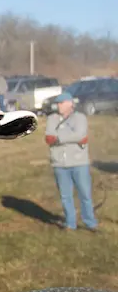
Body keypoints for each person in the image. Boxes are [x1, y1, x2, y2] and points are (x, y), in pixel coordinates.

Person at [45, 92, 97, 232]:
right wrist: (72, 138)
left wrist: (59, 138)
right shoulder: (52, 118)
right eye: (58, 103)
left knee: (85, 194)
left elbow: (81, 135)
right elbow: (49, 138)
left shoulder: (80, 118)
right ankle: (70, 223)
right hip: (59, 164)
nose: (59, 106)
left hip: (79, 162)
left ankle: (90, 223)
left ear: (70, 104)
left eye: (62, 103)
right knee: (65, 196)